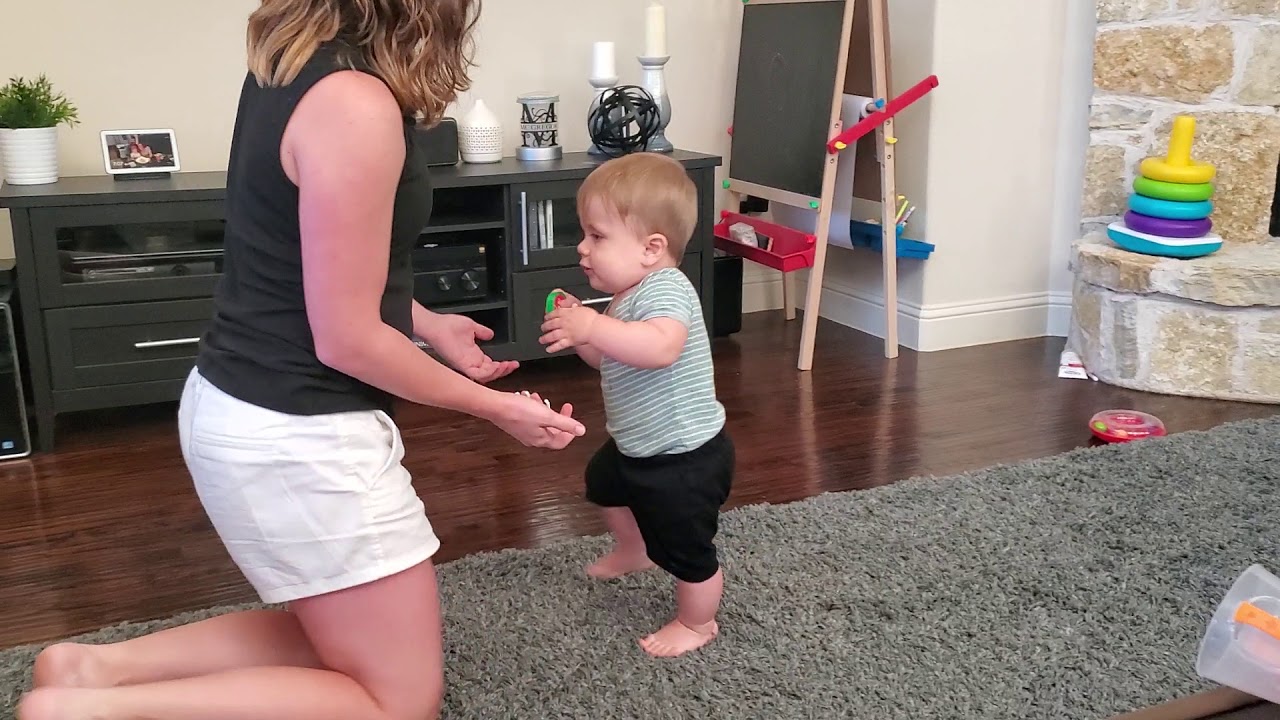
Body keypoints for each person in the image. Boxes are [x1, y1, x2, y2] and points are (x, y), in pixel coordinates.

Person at [18, 1, 586, 719]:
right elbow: (345, 338)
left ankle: (92, 671)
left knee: (339, 642)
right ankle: (84, 712)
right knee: (398, 701)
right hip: (294, 433)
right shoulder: (354, 103)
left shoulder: (291, 62)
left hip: (245, 400)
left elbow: (312, 257)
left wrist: (425, 322)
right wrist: (493, 407)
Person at [538, 152, 734, 658]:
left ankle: (697, 622)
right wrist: (582, 335)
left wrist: (594, 325)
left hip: (683, 456)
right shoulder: (627, 295)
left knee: (688, 549)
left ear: (652, 249)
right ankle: (635, 549)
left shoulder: (667, 289)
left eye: (597, 236)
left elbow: (661, 348)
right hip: (639, 444)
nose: (582, 248)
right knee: (604, 483)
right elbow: (611, 359)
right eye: (584, 234)